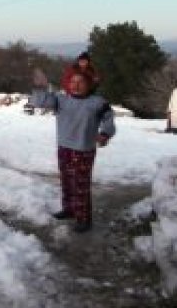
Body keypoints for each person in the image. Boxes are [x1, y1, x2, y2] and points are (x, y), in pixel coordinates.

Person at [30, 67, 116, 233]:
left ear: (88, 84)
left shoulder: (98, 102)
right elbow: (39, 102)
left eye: (80, 82)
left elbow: (108, 120)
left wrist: (105, 134)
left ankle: (83, 218)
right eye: (73, 82)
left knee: (80, 185)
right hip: (64, 148)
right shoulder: (61, 100)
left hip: (83, 150)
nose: (76, 85)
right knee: (66, 181)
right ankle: (69, 209)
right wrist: (41, 87)